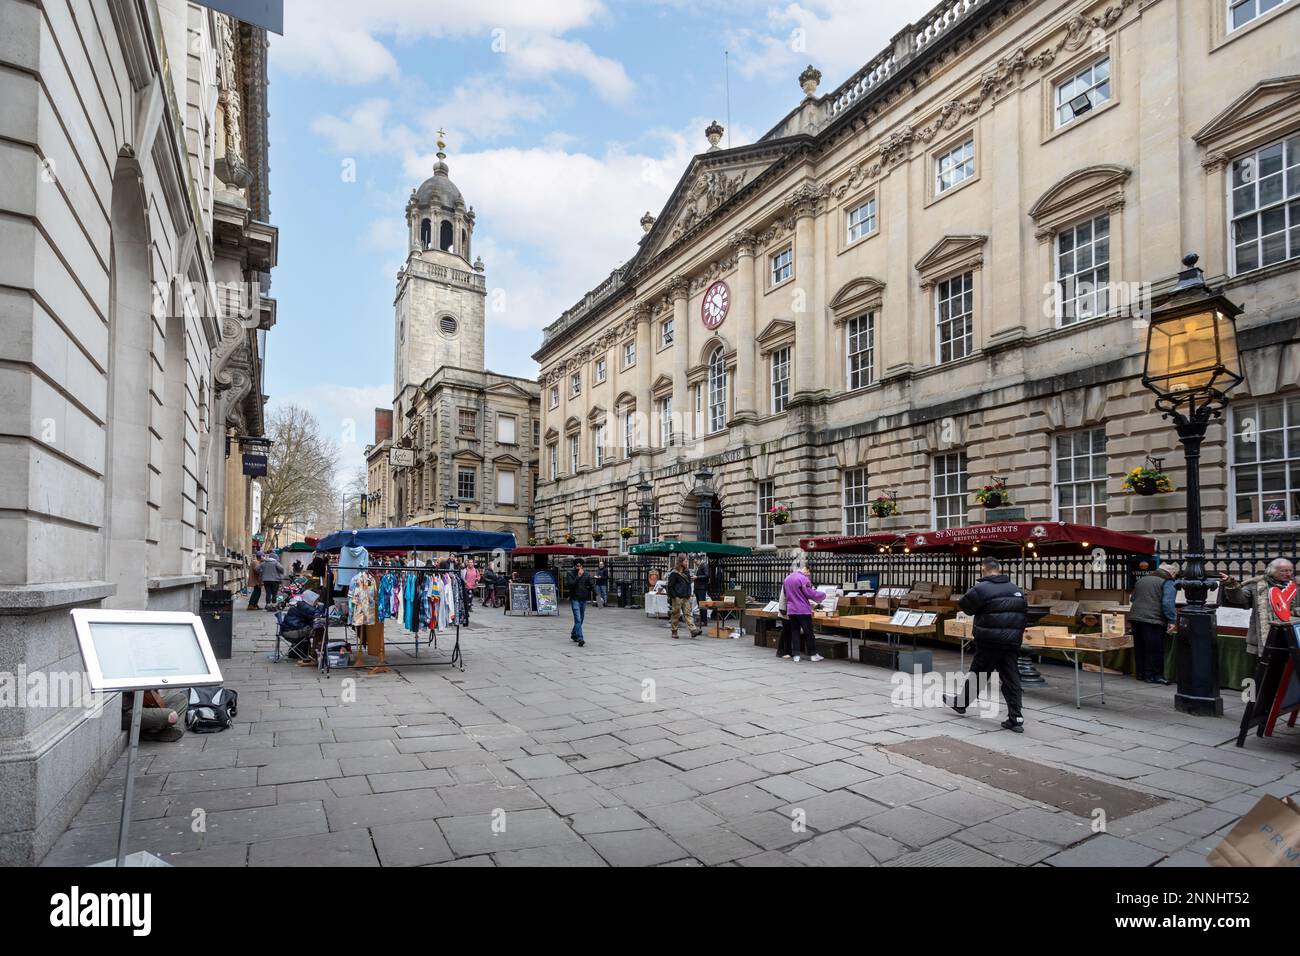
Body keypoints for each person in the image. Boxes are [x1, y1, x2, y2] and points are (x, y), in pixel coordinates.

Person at [947, 557, 1028, 732]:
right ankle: (1016, 717)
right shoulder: (1017, 589)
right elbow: (1024, 613)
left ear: (982, 569)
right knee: (1011, 678)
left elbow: (965, 607)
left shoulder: (981, 588)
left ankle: (961, 703)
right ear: (999, 569)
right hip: (1012, 642)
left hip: (989, 640)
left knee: (978, 674)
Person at [1221, 558, 1299, 657]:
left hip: (1292, 637)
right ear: (1272, 571)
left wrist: (1294, 612)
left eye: (1290, 570)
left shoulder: (1296, 586)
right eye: (1283, 571)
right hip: (1263, 639)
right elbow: (1239, 599)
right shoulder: (1257, 585)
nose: (1288, 574)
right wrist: (1231, 584)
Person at [1128, 564, 1176, 684]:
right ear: (1172, 573)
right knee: (1154, 649)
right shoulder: (1168, 581)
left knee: (1140, 647)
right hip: (1153, 619)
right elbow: (1167, 603)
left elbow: (1132, 599)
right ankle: (1153, 676)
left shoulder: (1142, 580)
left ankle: (1141, 674)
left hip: (1135, 617)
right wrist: (1171, 620)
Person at [782, 556, 825, 662]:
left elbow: (786, 594)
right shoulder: (803, 579)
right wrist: (823, 595)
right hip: (803, 610)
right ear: (806, 569)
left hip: (791, 610)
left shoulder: (787, 578)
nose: (809, 575)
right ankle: (813, 654)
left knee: (795, 632)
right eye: (809, 573)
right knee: (808, 632)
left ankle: (796, 655)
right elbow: (810, 593)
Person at [666, 556, 701, 639]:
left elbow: (688, 583)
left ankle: (693, 630)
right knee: (675, 615)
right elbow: (670, 586)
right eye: (685, 561)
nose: (687, 563)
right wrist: (675, 596)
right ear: (680, 562)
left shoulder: (687, 571)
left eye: (687, 561)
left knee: (688, 614)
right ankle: (674, 631)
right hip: (677, 597)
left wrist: (689, 593)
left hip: (686, 597)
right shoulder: (674, 573)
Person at [566, 559, 594, 647]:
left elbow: (592, 585)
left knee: (581, 619)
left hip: (583, 599)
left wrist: (599, 598)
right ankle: (580, 638)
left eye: (580, 566)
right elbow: (570, 585)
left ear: (582, 566)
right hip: (575, 599)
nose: (579, 567)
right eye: (577, 566)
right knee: (577, 619)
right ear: (574, 566)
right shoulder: (570, 573)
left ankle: (574, 634)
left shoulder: (587, 574)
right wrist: (578, 576)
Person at [694, 559, 711, 629]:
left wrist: (697, 577)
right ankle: (702, 620)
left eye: (696, 562)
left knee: (702, 604)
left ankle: (704, 621)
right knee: (699, 605)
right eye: (694, 562)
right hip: (698, 588)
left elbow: (707, 576)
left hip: (702, 588)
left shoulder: (704, 565)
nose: (695, 563)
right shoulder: (699, 566)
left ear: (699, 560)